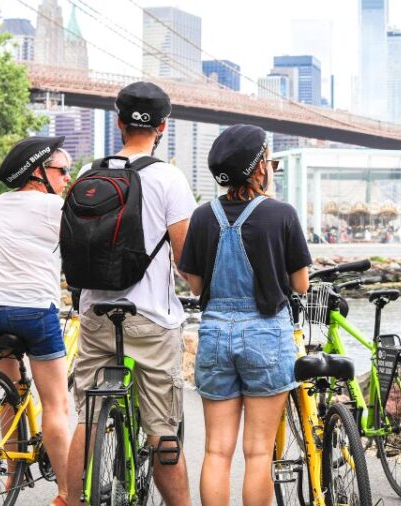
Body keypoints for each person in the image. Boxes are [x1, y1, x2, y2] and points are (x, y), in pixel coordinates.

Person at [65, 82, 196, 506]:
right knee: (163, 429)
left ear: (119, 123)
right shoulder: (169, 177)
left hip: (95, 313)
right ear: (162, 127)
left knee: (86, 415)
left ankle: (71, 499)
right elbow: (185, 258)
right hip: (150, 319)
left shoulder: (88, 174)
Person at [179, 124, 311, 506]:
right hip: (266, 336)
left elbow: (196, 286)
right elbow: (300, 285)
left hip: (216, 335)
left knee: (217, 452)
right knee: (257, 452)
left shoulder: (203, 216)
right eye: (269, 160)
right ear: (259, 168)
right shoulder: (281, 214)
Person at [0, 136, 73, 506]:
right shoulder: (57, 207)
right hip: (34, 311)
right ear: (39, 173)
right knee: (57, 404)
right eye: (62, 170)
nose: (67, 178)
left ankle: (11, 476)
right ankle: (66, 494)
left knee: (11, 391)